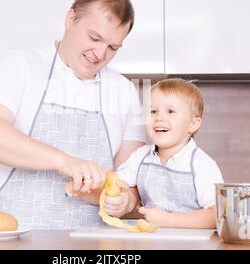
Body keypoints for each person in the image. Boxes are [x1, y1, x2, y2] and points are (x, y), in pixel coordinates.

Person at [0, 0, 146, 230]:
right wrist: (65, 162)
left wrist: (124, 200)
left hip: (93, 242)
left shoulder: (125, 91)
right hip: (11, 236)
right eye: (94, 37)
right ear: (71, 18)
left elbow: (131, 179)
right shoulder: (20, 66)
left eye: (112, 47)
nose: (100, 53)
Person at [71, 78, 224, 228]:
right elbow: (118, 184)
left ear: (193, 124)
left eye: (170, 111)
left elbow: (217, 215)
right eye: (153, 111)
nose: (159, 117)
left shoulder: (202, 165)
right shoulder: (140, 157)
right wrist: (95, 185)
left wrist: (168, 220)